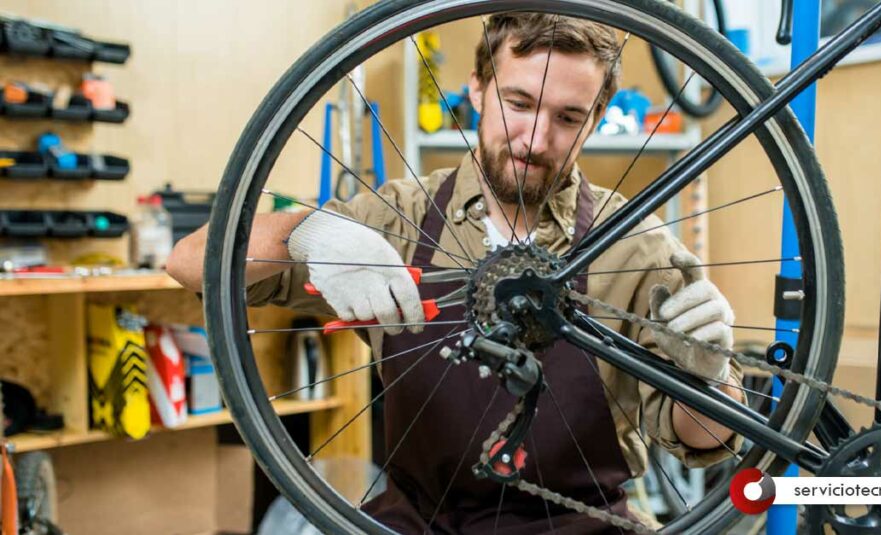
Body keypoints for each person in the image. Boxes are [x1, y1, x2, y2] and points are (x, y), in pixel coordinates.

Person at [167, 12, 745, 534]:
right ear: (477, 90)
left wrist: (710, 375)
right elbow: (188, 262)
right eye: (518, 104)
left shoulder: (639, 249)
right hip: (413, 525)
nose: (536, 140)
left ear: (595, 119)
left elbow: (707, 439)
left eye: (568, 117)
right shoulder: (398, 217)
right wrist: (305, 233)